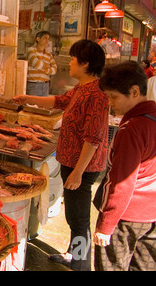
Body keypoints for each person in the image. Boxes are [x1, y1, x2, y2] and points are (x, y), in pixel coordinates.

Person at [13, 39, 109, 271]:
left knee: (78, 218)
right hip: (71, 161)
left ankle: (80, 264)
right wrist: (28, 99)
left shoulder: (96, 94)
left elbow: (93, 139)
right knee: (74, 215)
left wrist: (77, 172)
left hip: (82, 166)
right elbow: (59, 101)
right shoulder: (81, 88)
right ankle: (73, 254)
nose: (71, 62)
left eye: (74, 58)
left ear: (86, 63)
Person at [93, 61, 156, 271]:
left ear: (135, 91)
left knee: (112, 266)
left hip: (126, 217)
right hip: (152, 216)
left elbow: (122, 182)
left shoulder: (132, 129)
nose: (111, 103)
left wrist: (106, 224)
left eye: (114, 97)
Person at [26, 31, 57, 96]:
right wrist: (48, 68)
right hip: (33, 85)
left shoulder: (49, 55)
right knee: (32, 105)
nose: (47, 41)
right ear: (38, 39)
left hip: (45, 85)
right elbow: (36, 63)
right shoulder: (31, 50)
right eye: (45, 38)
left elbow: (54, 70)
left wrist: (44, 69)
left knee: (43, 106)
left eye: (48, 39)